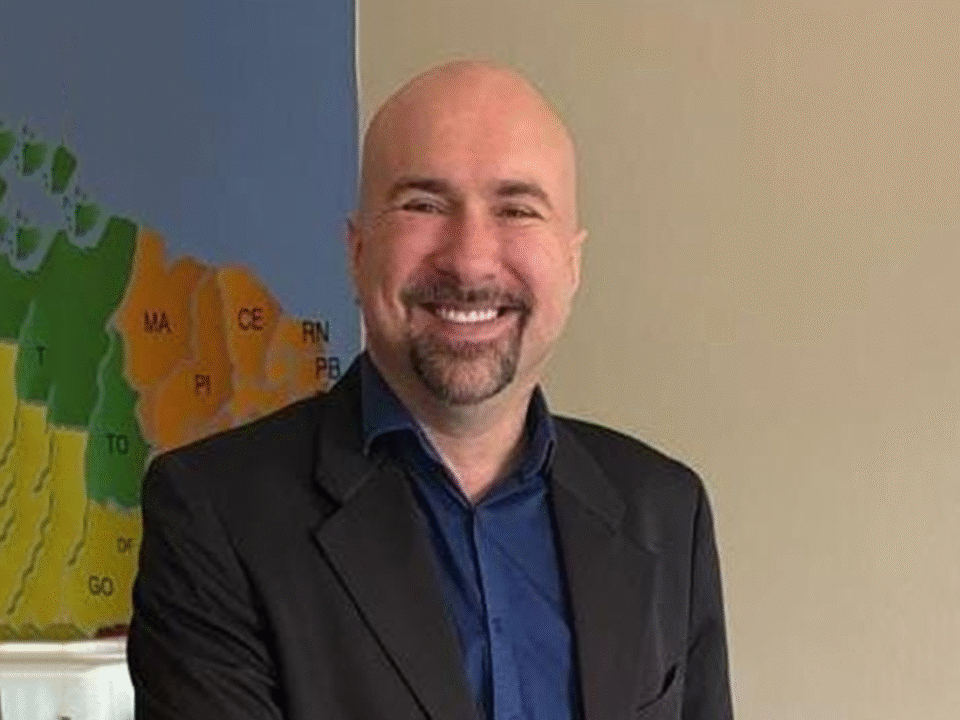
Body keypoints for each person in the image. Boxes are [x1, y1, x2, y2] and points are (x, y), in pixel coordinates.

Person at [127, 60, 733, 720]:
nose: (470, 258)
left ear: (572, 262)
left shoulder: (666, 512)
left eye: (517, 209)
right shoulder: (215, 515)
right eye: (424, 204)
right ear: (358, 251)